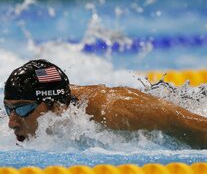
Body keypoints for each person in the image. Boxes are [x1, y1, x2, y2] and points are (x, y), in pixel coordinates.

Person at [3, 59, 207, 149]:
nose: (12, 122)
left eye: (21, 108)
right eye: (8, 108)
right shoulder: (35, 108)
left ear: (56, 107)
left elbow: (197, 127)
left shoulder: (114, 110)